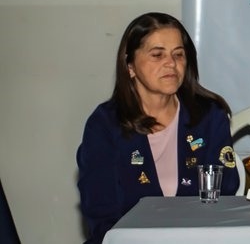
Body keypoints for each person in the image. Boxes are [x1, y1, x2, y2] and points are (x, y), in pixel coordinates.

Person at [77, 12, 238, 244]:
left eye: (178, 54)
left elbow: (224, 195)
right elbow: (102, 214)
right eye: (157, 55)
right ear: (130, 65)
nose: (171, 63)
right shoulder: (105, 124)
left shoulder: (209, 117)